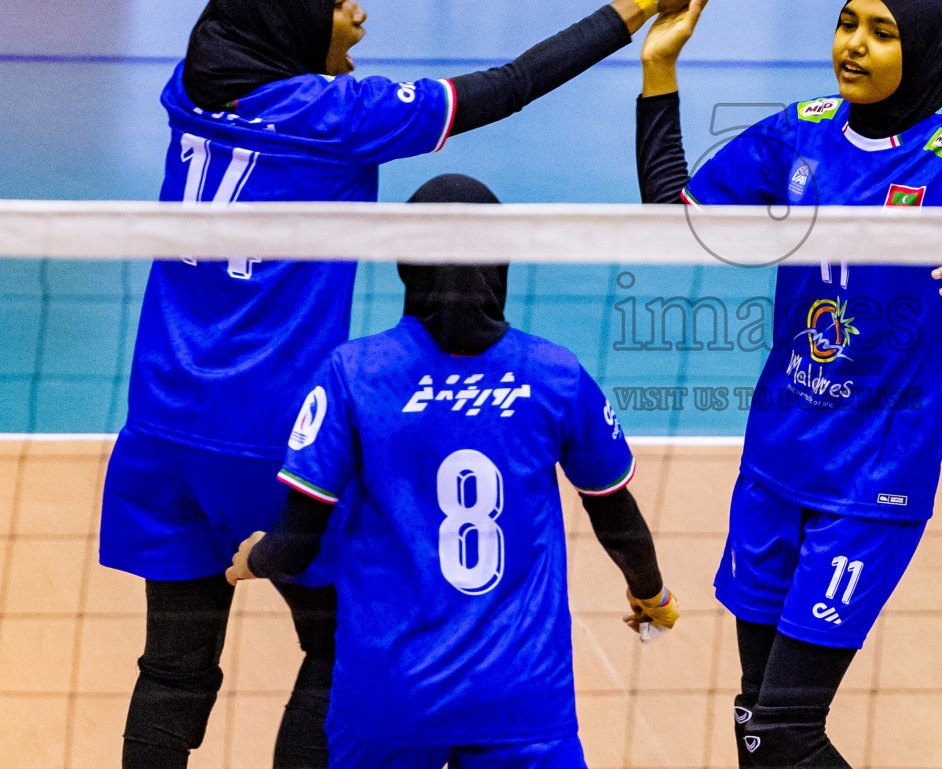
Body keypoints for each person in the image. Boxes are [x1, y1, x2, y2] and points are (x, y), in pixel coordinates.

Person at [98, 0, 743, 769]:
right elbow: (509, 85)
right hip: (271, 436)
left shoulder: (193, 89)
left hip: (159, 431)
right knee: (333, 654)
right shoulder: (338, 118)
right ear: (294, 35)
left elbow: (242, 20)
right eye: (338, 6)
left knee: (173, 670)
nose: (357, 9)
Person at [633, 0, 942, 767]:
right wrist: (660, 69)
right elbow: (670, 220)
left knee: (784, 731)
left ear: (926, 48)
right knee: (757, 728)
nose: (852, 45)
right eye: (847, 22)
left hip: (872, 486)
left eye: (882, 33)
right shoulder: (800, 130)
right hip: (773, 466)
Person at [223, 172, 675, 769]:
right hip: (521, 695)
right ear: (501, 261)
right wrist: (651, 592)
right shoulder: (556, 375)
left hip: (391, 694)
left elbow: (298, 546)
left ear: (409, 264)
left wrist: (252, 561)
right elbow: (615, 511)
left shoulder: (355, 372)